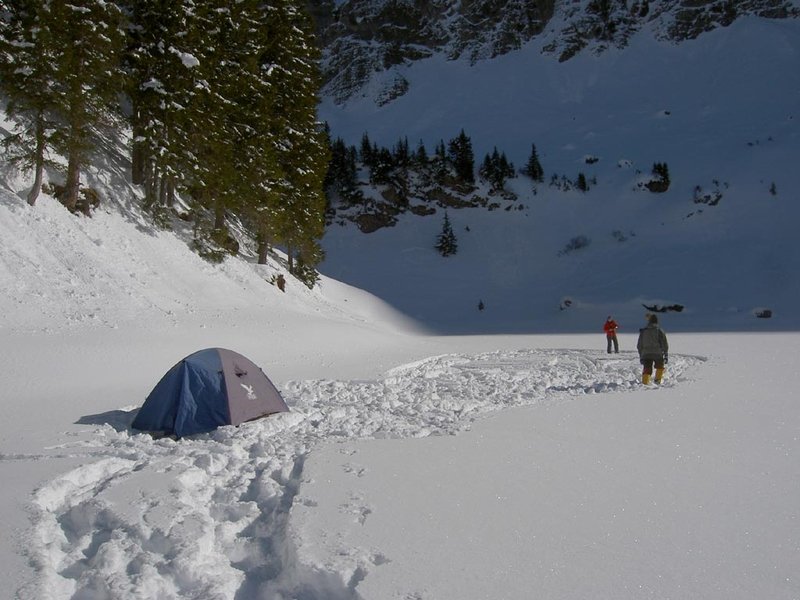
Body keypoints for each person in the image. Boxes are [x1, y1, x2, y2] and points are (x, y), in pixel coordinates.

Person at [637, 313, 669, 384]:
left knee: (647, 369)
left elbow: (639, 345)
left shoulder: (643, 331)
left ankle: (645, 383)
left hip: (646, 354)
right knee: (660, 367)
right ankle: (657, 381)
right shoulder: (659, 331)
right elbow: (664, 343)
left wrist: (641, 355)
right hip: (657, 353)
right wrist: (665, 354)